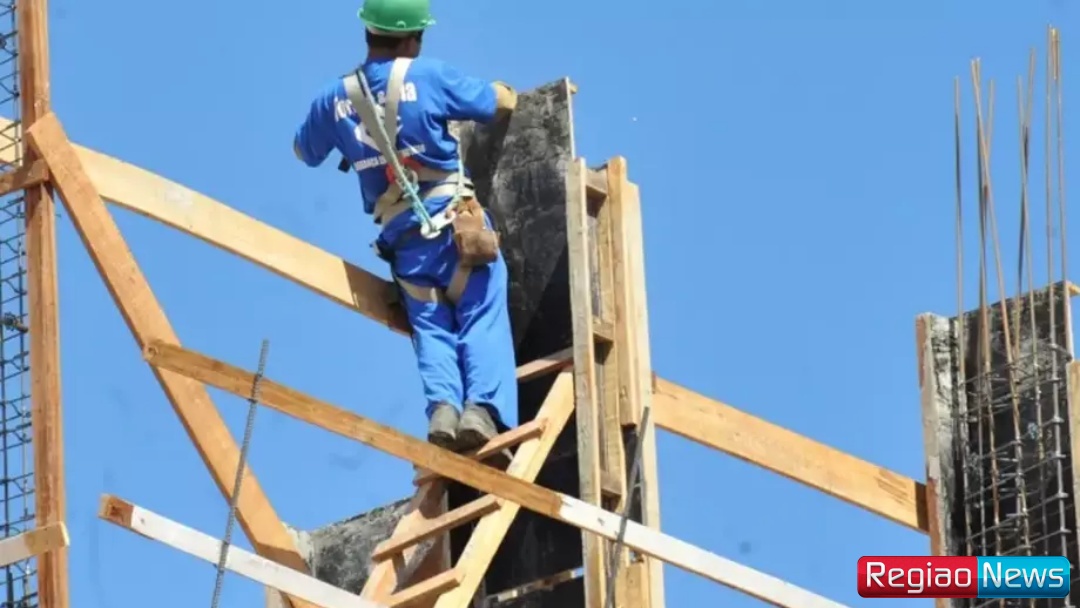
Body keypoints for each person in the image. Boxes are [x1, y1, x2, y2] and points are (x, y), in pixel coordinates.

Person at [293, 0, 520, 453]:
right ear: (412, 39)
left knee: (431, 326)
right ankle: (482, 412)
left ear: (368, 32)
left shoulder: (333, 98)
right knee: (480, 312)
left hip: (405, 245)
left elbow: (304, 151)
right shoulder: (431, 76)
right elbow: (496, 102)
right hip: (454, 226)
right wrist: (503, 90)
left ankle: (443, 411)